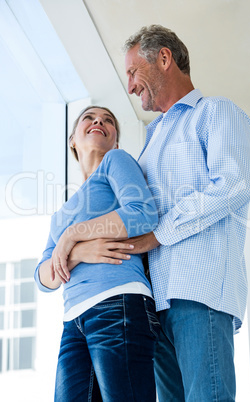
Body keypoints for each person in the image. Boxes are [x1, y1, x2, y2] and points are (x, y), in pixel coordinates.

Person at [119, 25, 250, 401]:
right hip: (155, 305)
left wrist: (158, 234)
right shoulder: (150, 141)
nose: (130, 86)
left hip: (197, 294)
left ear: (163, 58)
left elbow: (232, 184)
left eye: (132, 72)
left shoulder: (215, 113)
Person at [34, 106, 160, 402]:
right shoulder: (60, 214)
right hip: (73, 321)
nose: (99, 121)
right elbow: (43, 278)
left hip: (119, 302)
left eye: (108, 121)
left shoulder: (115, 161)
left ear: (115, 141)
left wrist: (73, 235)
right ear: (72, 140)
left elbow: (143, 214)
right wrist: (79, 252)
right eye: (89, 118)